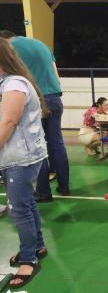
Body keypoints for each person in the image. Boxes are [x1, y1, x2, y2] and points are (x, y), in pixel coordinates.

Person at [0, 38, 48, 289]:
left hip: (21, 158)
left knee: (18, 209)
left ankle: (28, 259)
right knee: (26, 204)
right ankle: (37, 246)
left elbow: (7, 123)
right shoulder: (7, 84)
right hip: (16, 156)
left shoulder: (14, 84)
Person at [0, 30, 70, 201]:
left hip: (34, 98)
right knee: (57, 143)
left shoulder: (9, 47)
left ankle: (43, 192)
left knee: (37, 145)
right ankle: (64, 186)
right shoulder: (41, 45)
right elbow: (56, 74)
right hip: (55, 96)